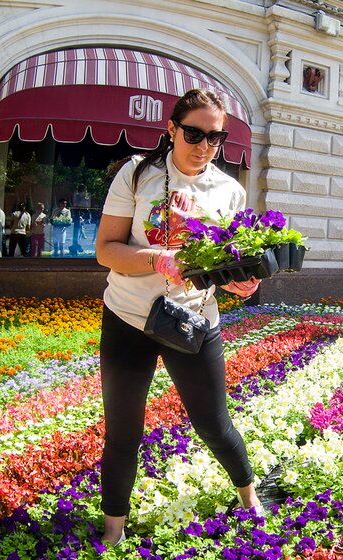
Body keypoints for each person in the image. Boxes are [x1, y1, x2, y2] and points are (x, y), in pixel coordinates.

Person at [94, 88, 263, 547]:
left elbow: (225, 262)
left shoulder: (230, 190)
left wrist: (239, 281)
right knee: (123, 430)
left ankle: (250, 496)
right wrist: (156, 259)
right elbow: (106, 250)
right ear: (171, 130)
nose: (205, 146)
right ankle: (113, 527)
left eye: (216, 137)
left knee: (213, 422)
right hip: (128, 316)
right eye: (194, 133)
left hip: (193, 320)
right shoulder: (137, 173)